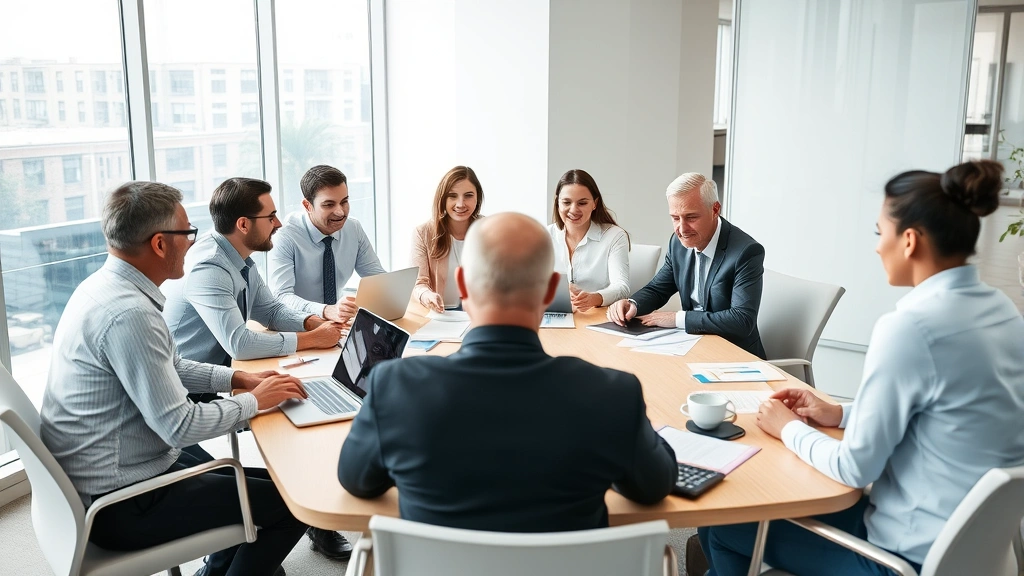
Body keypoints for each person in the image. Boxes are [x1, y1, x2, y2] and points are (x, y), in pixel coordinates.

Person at [699, 160, 1024, 576]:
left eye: (879, 232)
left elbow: (854, 468)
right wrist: (838, 413)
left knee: (722, 525)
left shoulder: (911, 329)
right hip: (974, 553)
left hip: (898, 558)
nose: (876, 246)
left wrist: (787, 427)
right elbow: (945, 411)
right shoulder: (1002, 312)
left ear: (909, 241)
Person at [337, 212, 678, 531]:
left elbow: (357, 480)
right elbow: (654, 486)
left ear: (463, 286)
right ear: (549, 292)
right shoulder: (613, 395)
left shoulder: (395, 387)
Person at [39, 181, 310, 576]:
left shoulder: (105, 288)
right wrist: (256, 401)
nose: (194, 242)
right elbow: (179, 426)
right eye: (188, 233)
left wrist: (239, 379)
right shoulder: (130, 314)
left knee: (265, 486)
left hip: (121, 466)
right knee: (292, 502)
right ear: (160, 244)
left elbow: (173, 365)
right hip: (122, 502)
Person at [161, 177, 352, 561]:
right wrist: (310, 342)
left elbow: (270, 310)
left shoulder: (240, 260)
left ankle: (296, 521)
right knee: (291, 412)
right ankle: (312, 512)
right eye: (272, 215)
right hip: (183, 387)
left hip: (218, 373)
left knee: (299, 397)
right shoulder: (209, 266)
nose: (279, 224)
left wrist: (312, 324)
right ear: (244, 224)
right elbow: (240, 342)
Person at [607, 172, 766, 358]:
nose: (681, 230)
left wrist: (676, 319)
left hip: (734, 355)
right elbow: (658, 289)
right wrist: (633, 304)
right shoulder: (678, 243)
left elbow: (741, 320)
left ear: (715, 210)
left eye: (691, 218)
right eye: (675, 218)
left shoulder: (746, 252)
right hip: (692, 347)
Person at [269, 165, 386, 323]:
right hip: (300, 324)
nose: (340, 212)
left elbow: (377, 279)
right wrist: (326, 310)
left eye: (344, 202)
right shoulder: (285, 236)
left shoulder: (353, 228)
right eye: (329, 205)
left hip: (338, 322)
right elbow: (281, 296)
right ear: (307, 206)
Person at [547, 169, 630, 311]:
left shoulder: (614, 236)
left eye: (582, 203)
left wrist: (595, 298)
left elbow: (622, 288)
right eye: (566, 202)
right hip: (555, 315)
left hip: (597, 317)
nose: (573, 210)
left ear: (594, 203)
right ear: (557, 203)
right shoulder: (545, 235)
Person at [409, 166, 484, 312]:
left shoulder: (489, 229)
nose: (460, 204)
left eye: (468, 195)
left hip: (479, 315)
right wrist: (427, 295)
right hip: (441, 316)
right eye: (452, 196)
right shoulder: (423, 233)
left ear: (477, 198)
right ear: (443, 199)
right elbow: (418, 284)